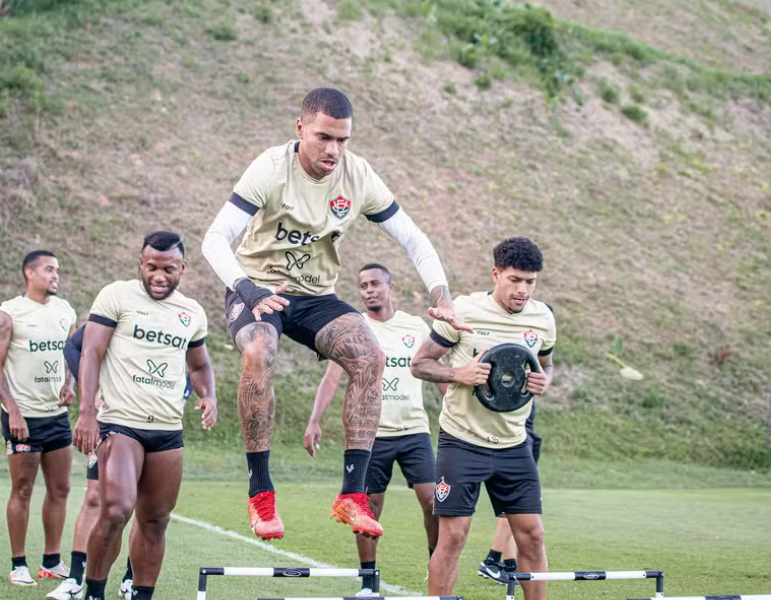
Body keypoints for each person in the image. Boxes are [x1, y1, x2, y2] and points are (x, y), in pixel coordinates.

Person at [201, 86, 467, 541]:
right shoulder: (271, 168)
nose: (334, 150)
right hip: (258, 287)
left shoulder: (357, 175)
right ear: (300, 128)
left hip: (316, 296)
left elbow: (412, 237)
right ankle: (260, 494)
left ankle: (351, 496)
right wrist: (245, 287)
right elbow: (214, 238)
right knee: (259, 351)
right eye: (325, 137)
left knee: (370, 356)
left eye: (343, 140)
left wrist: (442, 295)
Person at [73, 232, 218, 600]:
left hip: (168, 431)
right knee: (117, 509)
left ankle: (141, 595)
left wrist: (209, 395)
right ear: (141, 263)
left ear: (182, 268)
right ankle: (93, 592)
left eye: (168, 269)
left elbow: (199, 365)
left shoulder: (192, 313)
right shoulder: (117, 295)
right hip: (121, 423)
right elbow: (91, 352)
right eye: (151, 267)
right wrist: (87, 412)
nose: (158, 276)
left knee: (155, 521)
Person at [411, 237, 556, 600]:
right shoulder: (465, 311)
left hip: (513, 444)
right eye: (515, 280)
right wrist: (458, 374)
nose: (522, 290)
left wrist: (544, 381)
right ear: (496, 274)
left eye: (530, 282)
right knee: (454, 535)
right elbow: (420, 364)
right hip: (463, 441)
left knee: (533, 535)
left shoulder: (543, 319)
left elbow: (547, 366)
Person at [303, 263, 445, 596]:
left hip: (414, 432)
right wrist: (314, 419)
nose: (369, 290)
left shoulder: (415, 325)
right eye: (363, 285)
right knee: (368, 507)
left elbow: (436, 370)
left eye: (375, 284)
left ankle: (435, 570)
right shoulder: (354, 327)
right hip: (370, 435)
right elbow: (333, 377)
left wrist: (457, 410)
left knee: (434, 502)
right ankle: (369, 585)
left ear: (389, 287)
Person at [49, 325, 195, 600]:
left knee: (146, 507)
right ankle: (76, 578)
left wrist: (183, 395)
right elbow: (74, 347)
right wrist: (90, 390)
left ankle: (132, 579)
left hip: (158, 426)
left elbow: (191, 363)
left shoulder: (177, 316)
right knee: (98, 499)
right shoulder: (118, 308)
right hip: (113, 421)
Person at [0, 250, 77, 586]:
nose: (56, 275)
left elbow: (70, 354)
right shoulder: (8, 314)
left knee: (61, 488)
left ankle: (51, 562)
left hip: (57, 417)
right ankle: (18, 565)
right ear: (29, 273)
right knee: (22, 489)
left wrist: (70, 384)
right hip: (23, 419)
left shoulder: (65, 311)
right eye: (49, 269)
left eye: (58, 270)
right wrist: (13, 410)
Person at [477, 408, 542, 584]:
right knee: (519, 508)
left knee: (512, 511)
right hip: (517, 440)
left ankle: (509, 565)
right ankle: (491, 560)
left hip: (520, 438)